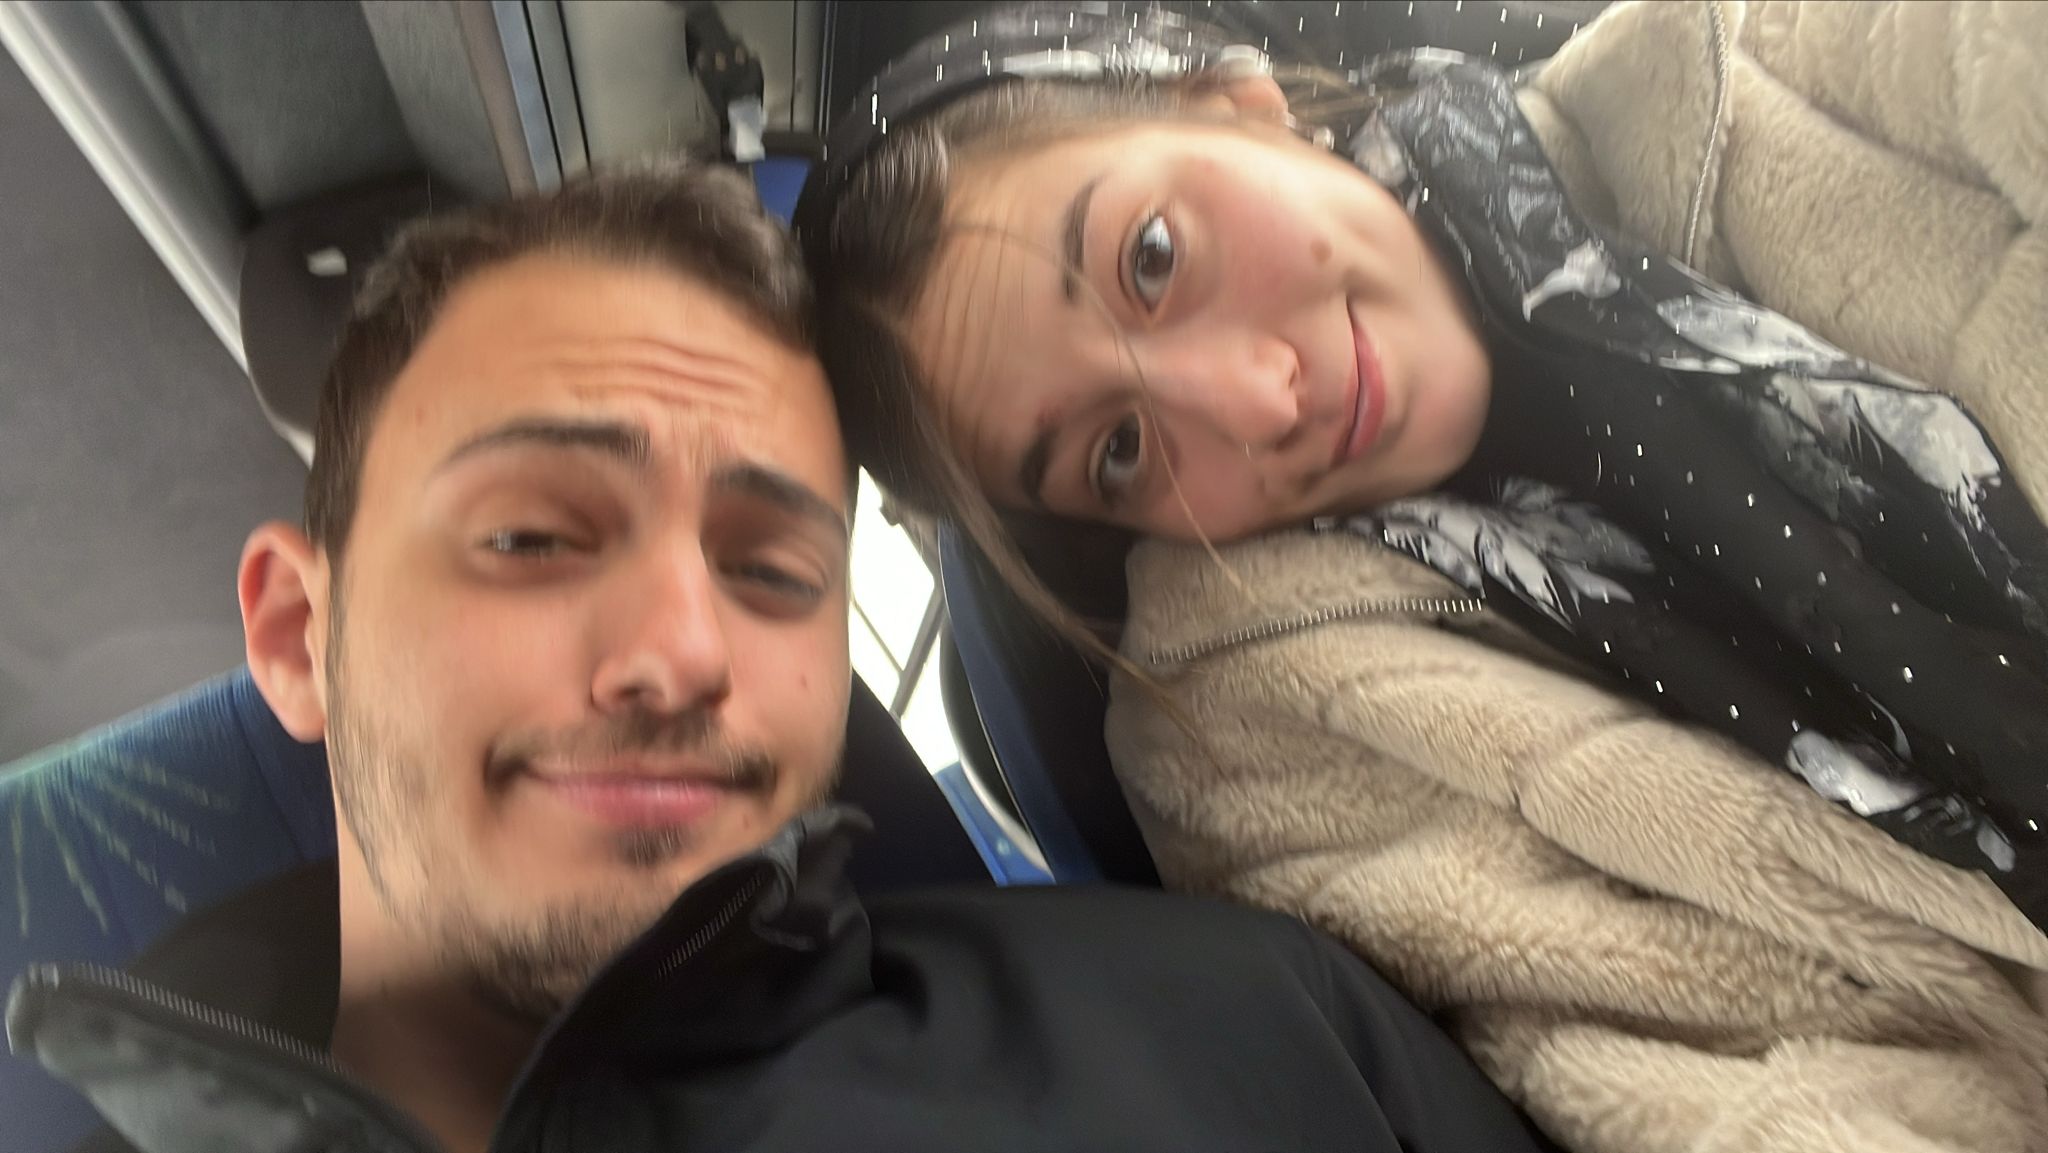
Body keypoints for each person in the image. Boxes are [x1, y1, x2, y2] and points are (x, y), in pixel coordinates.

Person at [5, 164, 1553, 1153]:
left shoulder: (1247, 1028)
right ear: (299, 636)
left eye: (771, 570)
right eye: (534, 534)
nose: (684, 650)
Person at [799, 2, 2048, 1149]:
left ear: (1234, 103)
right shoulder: (1269, 753)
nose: (1258, 399)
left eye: (1154, 257)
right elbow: (1728, 1098)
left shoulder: (1747, 64)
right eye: (1119, 449)